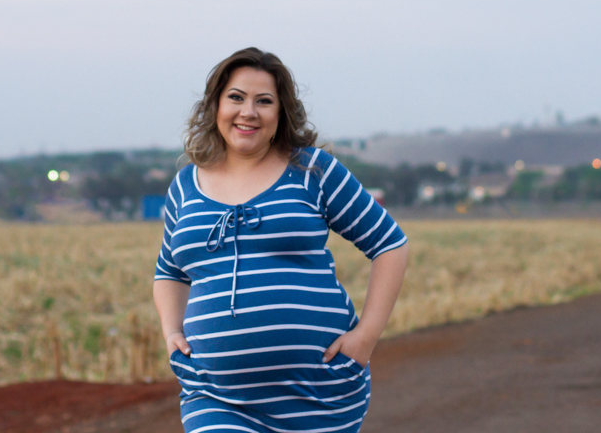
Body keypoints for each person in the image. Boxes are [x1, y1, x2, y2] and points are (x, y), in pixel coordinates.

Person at [154, 47, 409, 433]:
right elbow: (169, 271)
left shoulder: (312, 171)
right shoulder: (185, 186)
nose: (248, 112)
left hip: (318, 394)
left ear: (281, 113)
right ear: (215, 106)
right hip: (216, 396)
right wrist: (172, 333)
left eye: (264, 101)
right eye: (236, 98)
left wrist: (366, 337)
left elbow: (390, 244)